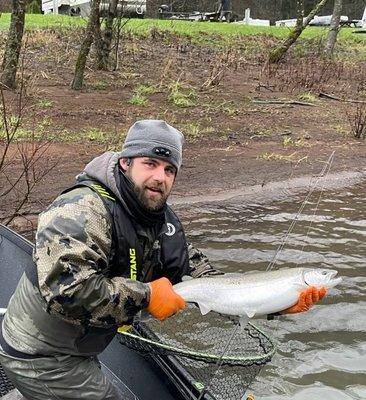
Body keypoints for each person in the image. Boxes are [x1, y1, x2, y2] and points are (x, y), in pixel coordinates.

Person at [0, 120, 326, 399]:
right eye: (151, 164)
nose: (161, 177)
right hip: (40, 356)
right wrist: (148, 295)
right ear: (126, 162)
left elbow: (207, 280)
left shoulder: (158, 218)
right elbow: (66, 292)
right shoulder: (80, 210)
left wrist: (279, 304)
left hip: (81, 348)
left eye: (170, 169)